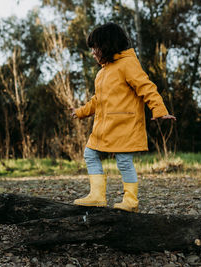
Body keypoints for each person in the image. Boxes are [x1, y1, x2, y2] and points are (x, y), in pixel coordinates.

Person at [71, 22, 176, 212]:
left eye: (95, 47)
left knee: (124, 161)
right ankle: (96, 195)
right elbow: (97, 100)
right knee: (90, 154)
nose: (93, 52)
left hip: (124, 125)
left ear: (107, 46)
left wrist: (160, 110)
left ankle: (130, 200)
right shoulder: (102, 72)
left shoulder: (128, 64)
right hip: (104, 126)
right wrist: (80, 112)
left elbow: (147, 88)